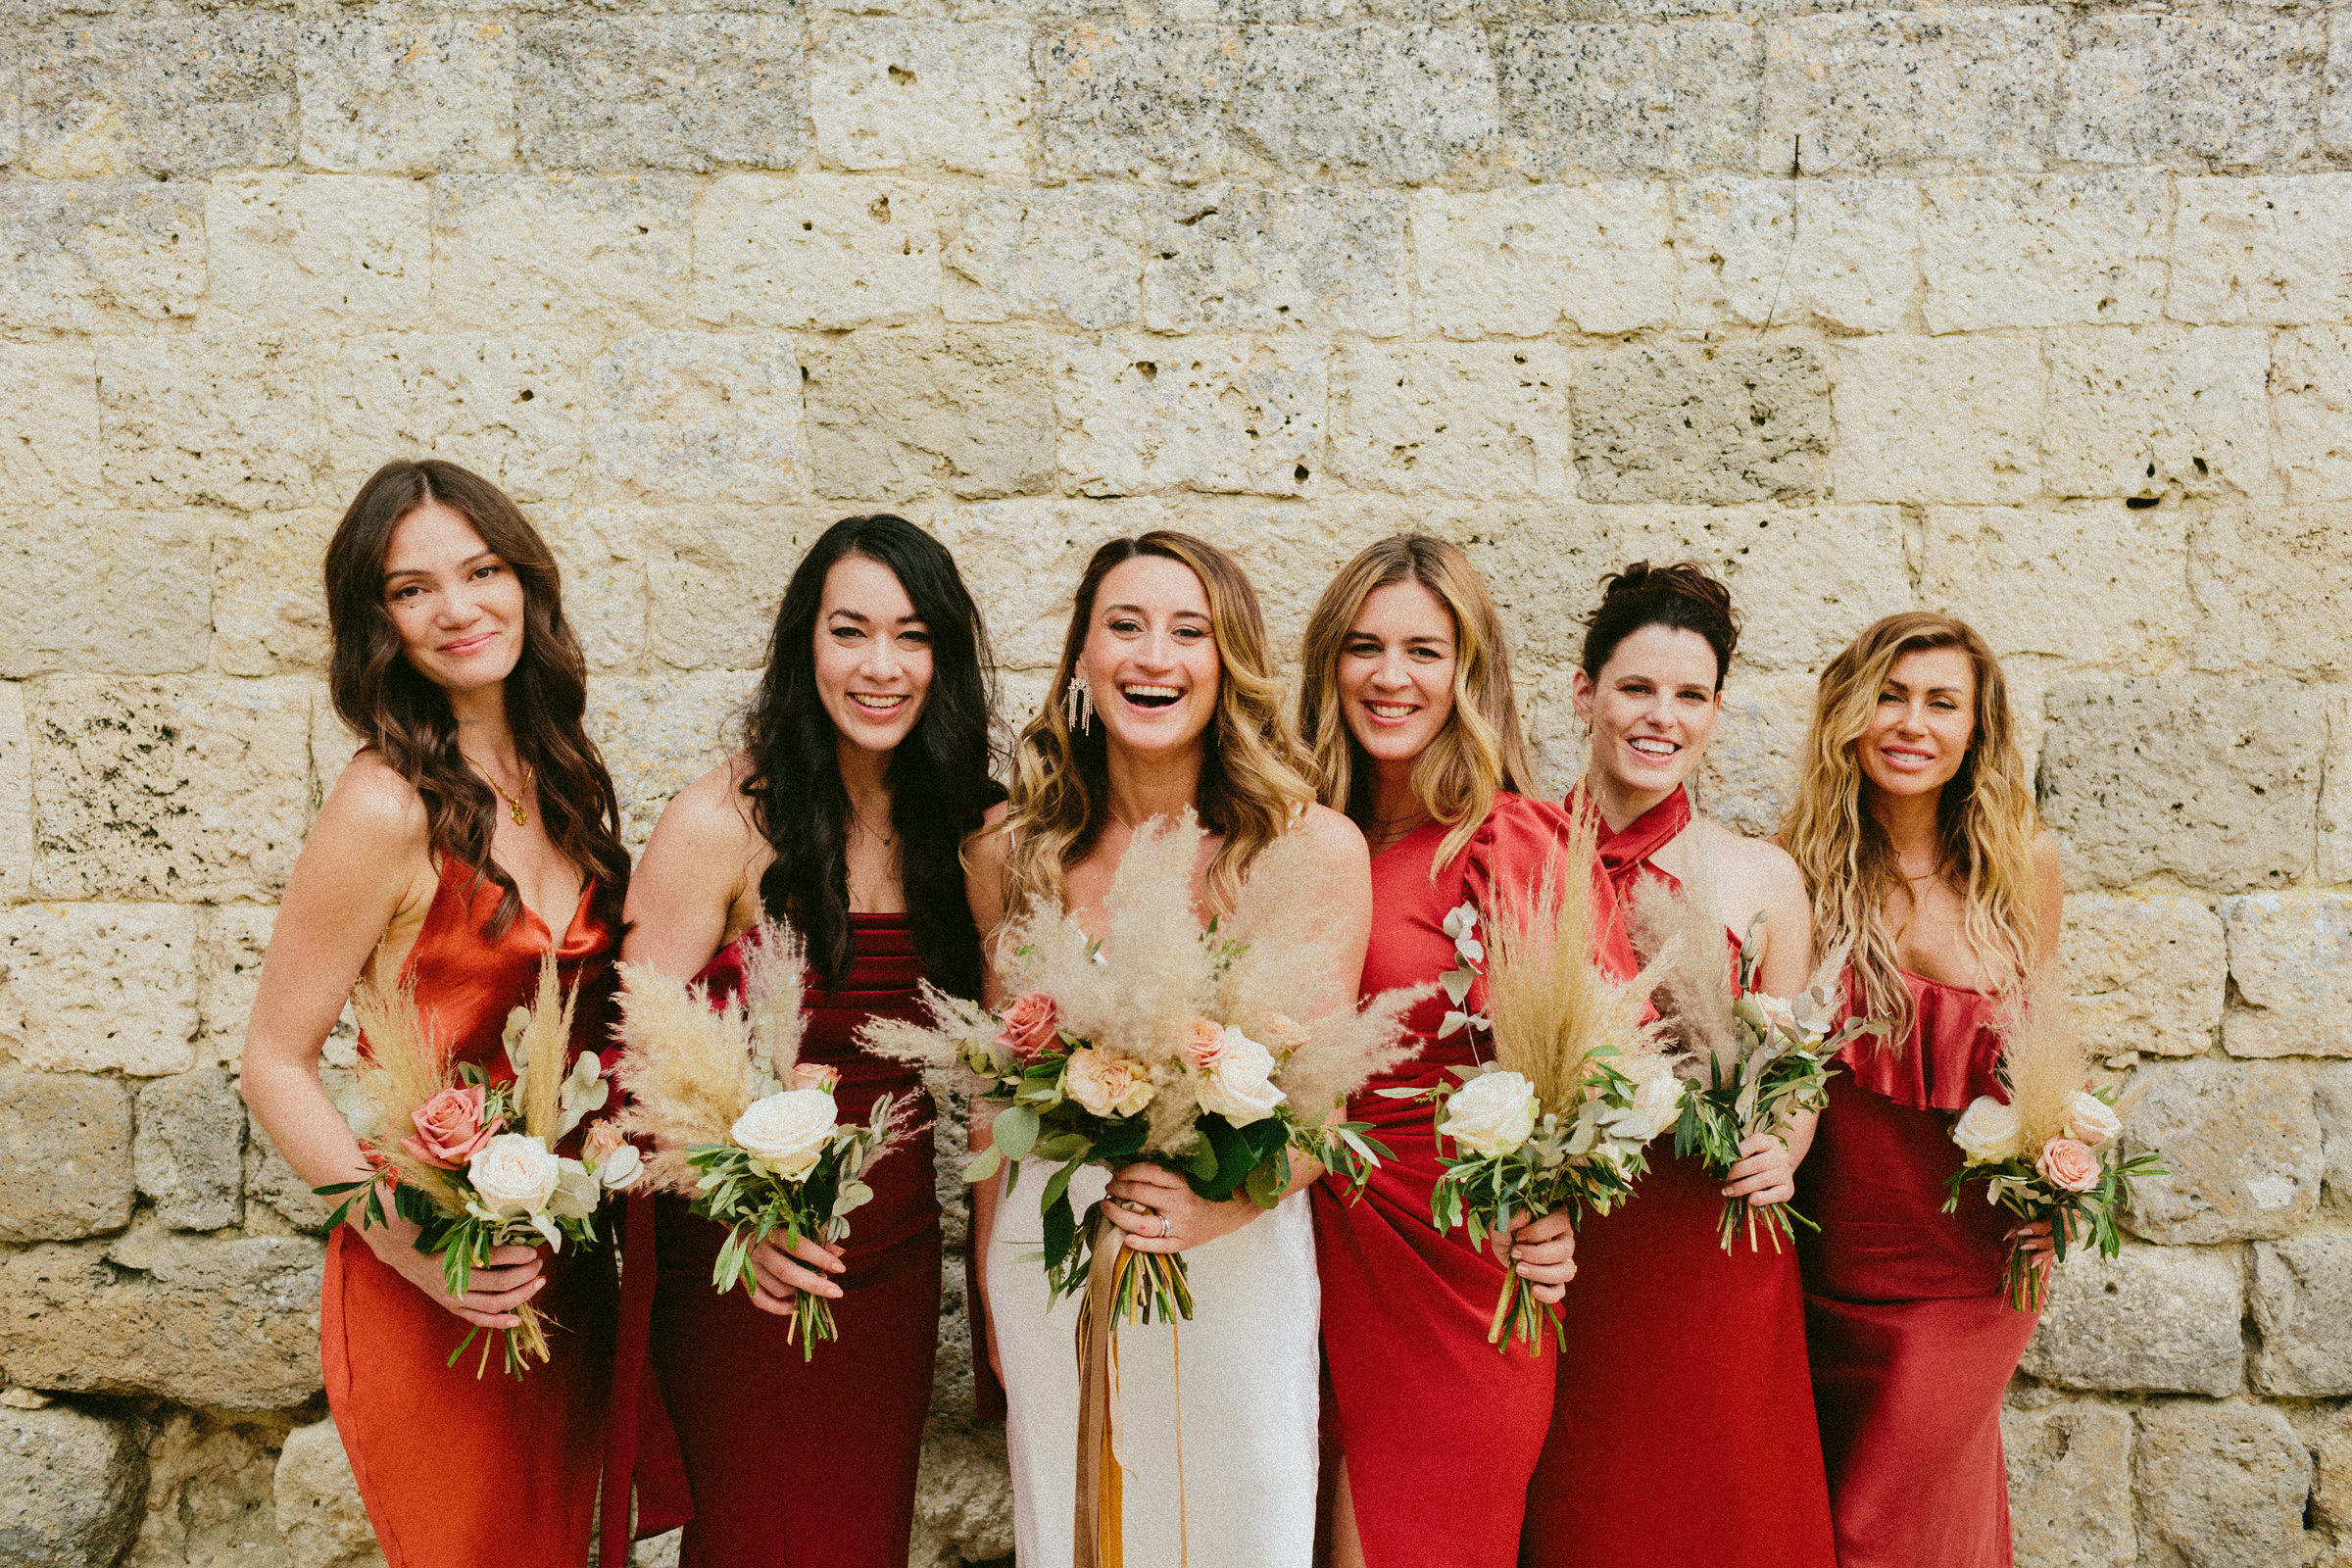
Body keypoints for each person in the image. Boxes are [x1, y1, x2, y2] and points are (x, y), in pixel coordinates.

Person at [241, 458, 632, 1568]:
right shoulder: (382, 804)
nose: (458, 607)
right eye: (413, 589)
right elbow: (273, 1059)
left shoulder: (559, 770)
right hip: (430, 1271)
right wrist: (415, 1250)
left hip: (559, 1264)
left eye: (482, 569)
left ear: (525, 583)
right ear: (380, 625)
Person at [965, 530, 1373, 1568]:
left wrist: (1221, 1205)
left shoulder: (1308, 849)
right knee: (1081, 1522)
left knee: (1243, 1518)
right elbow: (988, 1091)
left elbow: (1328, 1104)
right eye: (1125, 627)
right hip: (1055, 1253)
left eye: (1189, 632)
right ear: (1082, 660)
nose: (1156, 656)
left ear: (1225, 661)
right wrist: (987, 1286)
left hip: (1233, 1250)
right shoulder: (1013, 851)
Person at [621, 515, 1003, 1567]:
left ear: (945, 659)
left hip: (890, 1266)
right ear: (805, 646)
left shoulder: (967, 829)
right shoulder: (721, 826)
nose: (881, 665)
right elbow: (629, 1070)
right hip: (752, 1263)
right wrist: (747, 1214)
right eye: (851, 631)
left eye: (912, 635)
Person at [1521, 561, 1837, 1568]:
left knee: (1720, 1510)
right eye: (1637, 687)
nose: (1662, 716)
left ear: (1714, 711)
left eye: (1690, 694)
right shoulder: (1515, 850)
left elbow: (1796, 1068)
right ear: (1586, 695)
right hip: (1568, 1242)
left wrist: (1784, 1152)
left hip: (1714, 1242)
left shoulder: (1761, 875)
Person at [1293, 535, 1593, 1568]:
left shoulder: (1510, 843)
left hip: (1459, 1275)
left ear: (1469, 672)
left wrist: (1560, 1198)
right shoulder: (1287, 835)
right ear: (1328, 665)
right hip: (1286, 1256)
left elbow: (1595, 1066)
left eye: (1425, 650)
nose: (1390, 676)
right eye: (1364, 646)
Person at [1780, 612, 2064, 1568]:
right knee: (1870, 1518)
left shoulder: (2023, 863)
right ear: (1851, 717)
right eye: (1891, 697)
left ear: (1976, 729)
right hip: (1836, 1254)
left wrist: (2062, 1188)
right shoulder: (1806, 866)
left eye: (1943, 703)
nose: (1912, 723)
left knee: (1874, 1527)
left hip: (1975, 1263)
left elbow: (2048, 1050)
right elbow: (1781, 1062)